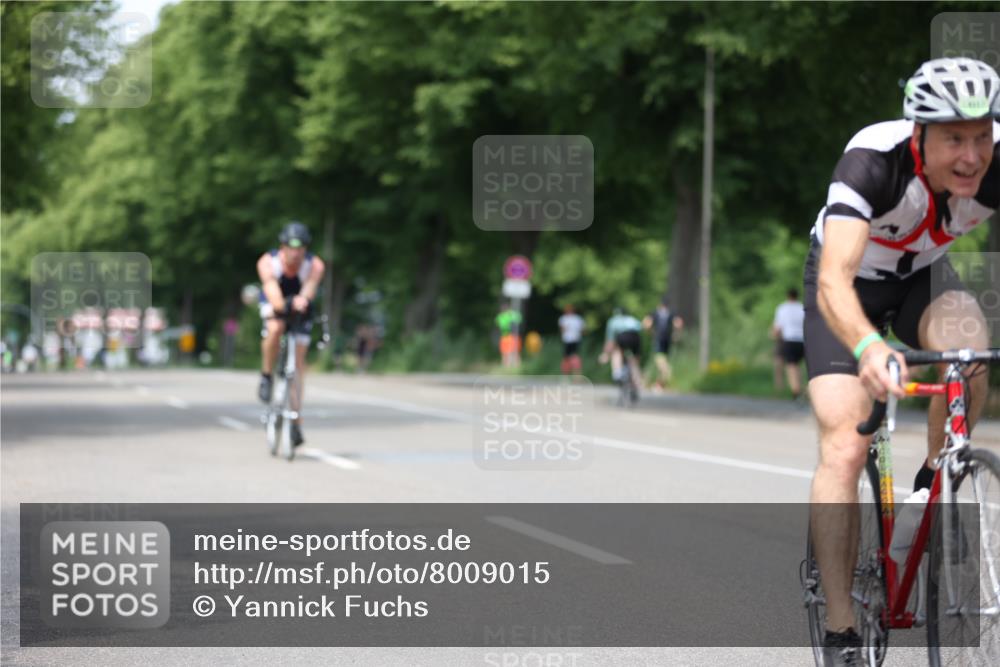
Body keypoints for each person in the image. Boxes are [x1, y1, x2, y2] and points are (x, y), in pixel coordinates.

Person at [805, 58, 998, 666]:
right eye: (953, 140)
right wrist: (867, 345)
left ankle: (929, 490)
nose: (971, 157)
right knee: (844, 443)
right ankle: (841, 633)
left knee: (968, 353)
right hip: (848, 287)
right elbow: (834, 279)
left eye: (982, 136)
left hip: (920, 277)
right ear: (919, 135)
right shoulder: (872, 161)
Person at [257, 221, 326, 448]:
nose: (296, 253)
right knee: (276, 329)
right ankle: (266, 375)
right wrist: (284, 305)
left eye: (301, 248)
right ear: (283, 246)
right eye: (291, 247)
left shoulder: (314, 265)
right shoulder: (268, 263)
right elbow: (272, 292)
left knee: (298, 363)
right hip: (275, 299)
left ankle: (295, 421)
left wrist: (302, 301)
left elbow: (308, 290)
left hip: (299, 304)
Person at [599, 307, 643, 396]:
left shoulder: (613, 321)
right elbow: (640, 328)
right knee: (634, 360)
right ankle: (636, 380)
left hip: (623, 336)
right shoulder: (632, 319)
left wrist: (606, 354)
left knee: (617, 351)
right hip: (636, 338)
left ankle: (617, 372)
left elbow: (610, 341)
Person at [642, 297, 683, 391]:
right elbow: (679, 323)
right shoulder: (671, 313)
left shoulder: (655, 313)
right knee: (664, 358)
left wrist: (650, 332)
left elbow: (646, 324)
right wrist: (677, 334)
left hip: (658, 338)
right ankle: (659, 384)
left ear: (660, 304)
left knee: (659, 359)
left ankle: (667, 371)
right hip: (668, 339)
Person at [771, 288, 805, 400]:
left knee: (791, 366)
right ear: (797, 296)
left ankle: (796, 390)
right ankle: (802, 389)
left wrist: (774, 336)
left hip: (789, 339)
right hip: (802, 340)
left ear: (788, 296)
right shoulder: (802, 308)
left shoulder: (782, 308)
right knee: (799, 366)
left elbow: (778, 327)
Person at [557, 304, 585, 375]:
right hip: (576, 339)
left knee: (566, 357)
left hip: (567, 340)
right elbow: (582, 330)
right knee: (575, 356)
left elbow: (562, 330)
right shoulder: (578, 318)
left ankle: (565, 375)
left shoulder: (563, 318)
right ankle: (577, 374)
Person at [495, 302, 523, 368]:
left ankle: (515, 367)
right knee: (506, 353)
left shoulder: (511, 314)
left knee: (513, 353)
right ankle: (507, 367)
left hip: (512, 336)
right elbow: (501, 325)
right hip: (505, 336)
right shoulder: (501, 316)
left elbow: (519, 319)